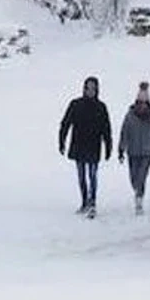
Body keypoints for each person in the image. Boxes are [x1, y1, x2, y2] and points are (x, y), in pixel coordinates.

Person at [58, 76, 112, 217]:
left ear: (97, 90)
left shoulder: (101, 107)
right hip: (79, 145)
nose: (90, 91)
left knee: (92, 175)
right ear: (84, 88)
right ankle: (84, 202)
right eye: (88, 88)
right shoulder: (76, 104)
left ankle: (92, 202)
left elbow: (106, 128)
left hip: (94, 146)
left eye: (93, 88)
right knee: (81, 176)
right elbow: (66, 123)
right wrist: (61, 140)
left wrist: (108, 146)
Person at [117, 81, 150, 214]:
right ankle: (137, 192)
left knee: (142, 177)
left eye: (145, 103)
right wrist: (121, 148)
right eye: (140, 103)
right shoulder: (130, 116)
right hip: (133, 151)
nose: (143, 106)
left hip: (148, 152)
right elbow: (124, 132)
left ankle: (139, 200)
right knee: (133, 178)